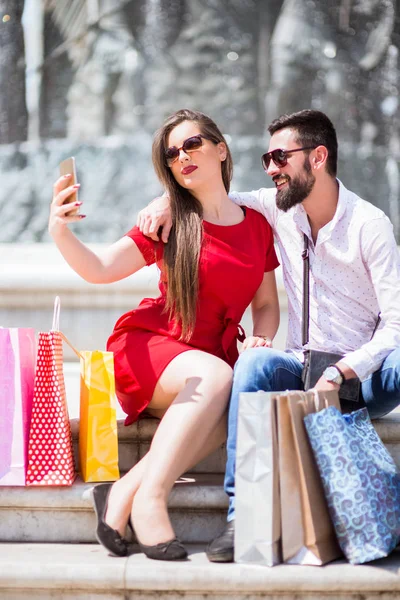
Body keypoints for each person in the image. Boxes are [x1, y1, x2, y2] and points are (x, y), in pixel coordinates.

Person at [137, 108, 400, 563]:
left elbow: (396, 325)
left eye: (281, 157)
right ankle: (242, 518)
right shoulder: (276, 208)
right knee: (255, 362)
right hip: (300, 367)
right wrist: (167, 199)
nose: (272, 168)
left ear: (318, 157)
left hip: (362, 376)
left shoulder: (368, 224)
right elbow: (215, 193)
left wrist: (344, 369)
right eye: (267, 158)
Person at [48, 109, 280, 561]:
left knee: (231, 403)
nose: (183, 157)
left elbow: (267, 306)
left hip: (212, 360)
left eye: (192, 144)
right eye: (173, 153)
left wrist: (262, 339)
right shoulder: (169, 221)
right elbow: (99, 270)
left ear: (221, 149)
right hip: (152, 346)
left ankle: (121, 493)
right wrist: (59, 230)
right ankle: (151, 501)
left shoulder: (257, 226)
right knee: (216, 378)